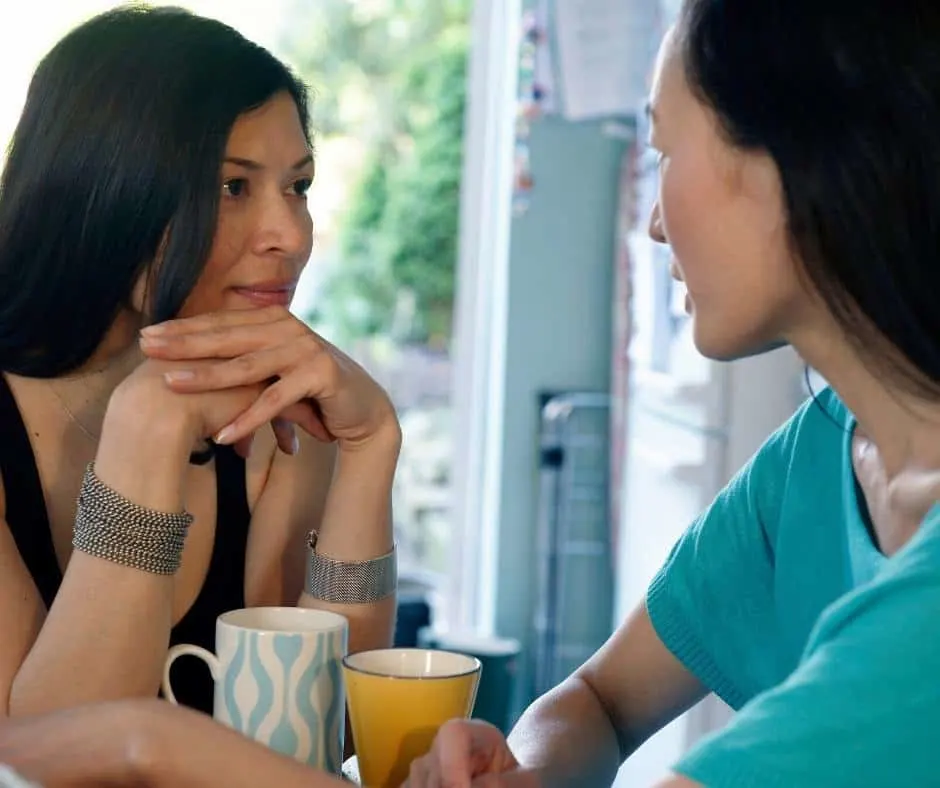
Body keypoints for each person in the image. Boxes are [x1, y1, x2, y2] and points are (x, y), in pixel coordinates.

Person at [398, 0, 940, 785]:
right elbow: (600, 698)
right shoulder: (821, 456)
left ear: (786, 161)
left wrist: (158, 744)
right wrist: (528, 775)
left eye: (663, 153)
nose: (654, 223)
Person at [0, 5, 399, 721]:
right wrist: (147, 435)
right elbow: (42, 764)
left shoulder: (282, 423)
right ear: (103, 192)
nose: (290, 236)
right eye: (232, 187)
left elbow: (319, 733)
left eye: (298, 187)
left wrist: (371, 448)